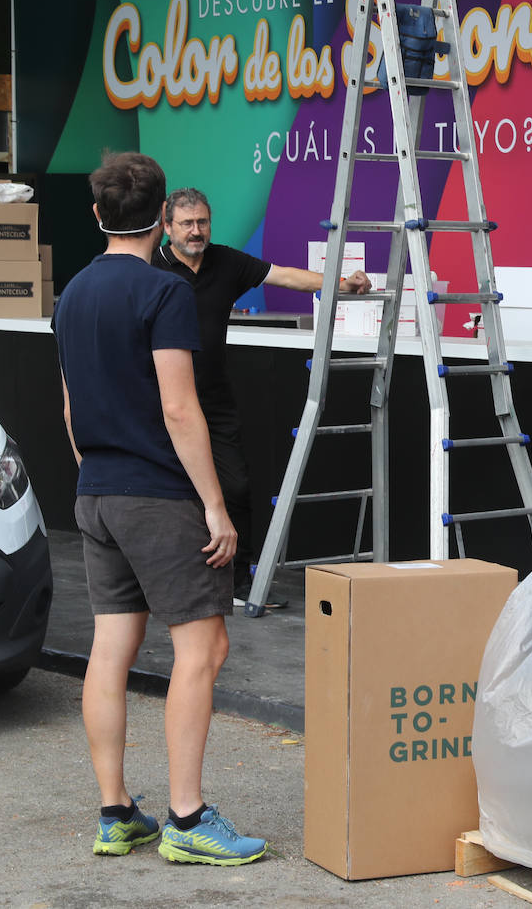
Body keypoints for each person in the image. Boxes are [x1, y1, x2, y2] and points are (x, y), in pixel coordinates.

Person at [53, 152, 266, 865]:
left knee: (110, 649)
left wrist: (97, 474)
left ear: (97, 216)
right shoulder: (164, 292)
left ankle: (117, 815)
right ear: (160, 219)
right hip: (159, 494)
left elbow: (71, 406)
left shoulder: (74, 292)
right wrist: (215, 505)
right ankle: (186, 817)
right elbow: (181, 407)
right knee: (201, 648)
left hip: (96, 491)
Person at [150, 188, 369, 605]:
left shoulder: (226, 261)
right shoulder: (149, 269)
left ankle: (236, 584)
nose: (196, 231)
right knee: (166, 492)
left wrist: (341, 284)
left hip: (213, 401)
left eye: (202, 222)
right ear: (167, 227)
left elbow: (285, 275)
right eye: (187, 224)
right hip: (160, 399)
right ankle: (167, 585)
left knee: (236, 486)